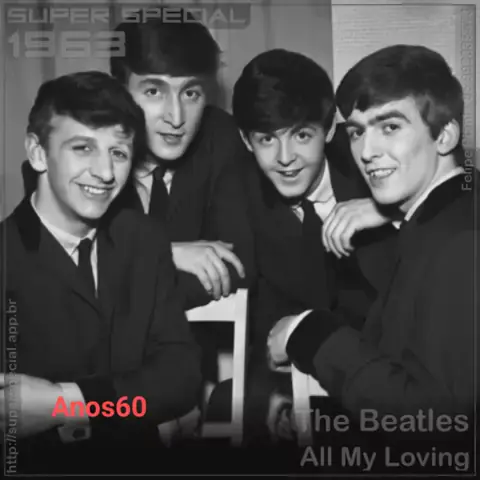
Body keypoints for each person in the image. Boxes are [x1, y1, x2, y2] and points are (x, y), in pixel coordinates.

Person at [269, 45, 478, 474]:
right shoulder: (450, 212)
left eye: (390, 126)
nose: (366, 151)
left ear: (445, 135)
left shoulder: (459, 244)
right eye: (357, 132)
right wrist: (390, 212)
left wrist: (307, 333)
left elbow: (437, 424)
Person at [0, 71, 201, 474]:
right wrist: (130, 403)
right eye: (83, 148)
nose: (106, 173)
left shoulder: (143, 240)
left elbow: (179, 379)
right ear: (37, 153)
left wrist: (65, 402)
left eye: (119, 153)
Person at [207, 49, 397, 449]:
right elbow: (248, 300)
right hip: (292, 362)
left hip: (390, 367)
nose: (285, 159)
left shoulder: (369, 155)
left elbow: (467, 178)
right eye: (266, 139)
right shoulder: (234, 190)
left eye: (301, 135)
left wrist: (390, 208)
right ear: (245, 140)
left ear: (328, 130)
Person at [109, 12, 255, 393]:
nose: (176, 117)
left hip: (187, 368)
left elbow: (237, 265)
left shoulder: (222, 139)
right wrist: (164, 252)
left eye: (190, 93)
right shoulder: (82, 143)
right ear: (120, 93)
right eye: (153, 92)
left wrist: (124, 271)